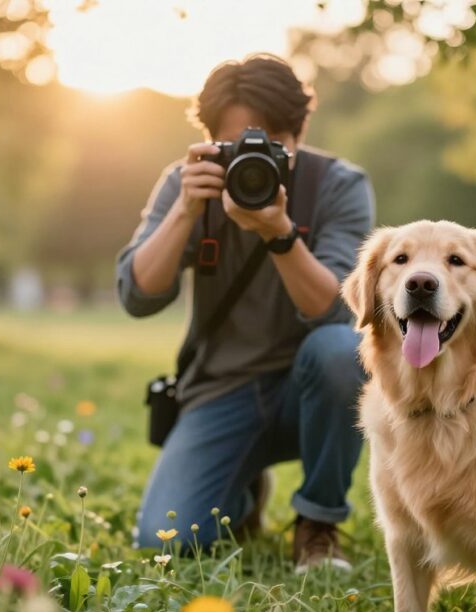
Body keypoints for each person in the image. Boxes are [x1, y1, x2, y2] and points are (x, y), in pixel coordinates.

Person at [116, 54, 374, 572]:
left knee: (342, 352)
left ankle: (318, 524)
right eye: (236, 146)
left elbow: (334, 310)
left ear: (297, 134)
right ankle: (243, 492)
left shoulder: (338, 186)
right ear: (212, 142)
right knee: (165, 540)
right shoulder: (188, 182)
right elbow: (137, 295)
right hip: (221, 390)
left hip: (308, 392)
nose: (252, 160)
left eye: (272, 145)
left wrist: (278, 234)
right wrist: (187, 211)